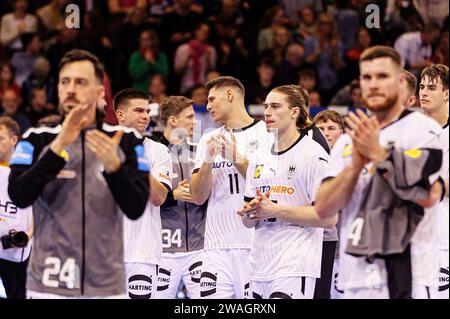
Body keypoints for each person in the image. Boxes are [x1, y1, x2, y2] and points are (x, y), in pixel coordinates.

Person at [8, 49, 150, 298]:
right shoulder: (36, 139)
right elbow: (19, 196)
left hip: (105, 285)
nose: (70, 89)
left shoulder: (127, 141)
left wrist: (114, 169)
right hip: (48, 284)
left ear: (99, 92)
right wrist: (56, 148)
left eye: (80, 82)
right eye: (65, 82)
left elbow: (136, 208)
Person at [315, 46, 445, 299]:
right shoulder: (348, 141)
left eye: (382, 76)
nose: (373, 84)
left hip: (409, 277)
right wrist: (355, 166)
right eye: (367, 77)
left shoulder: (424, 130)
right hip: (356, 279)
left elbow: (428, 196)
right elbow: (323, 208)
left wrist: (379, 155)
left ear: (399, 81)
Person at [237, 85, 337, 299]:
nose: (267, 113)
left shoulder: (313, 155)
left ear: (294, 112)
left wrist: (275, 210)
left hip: (295, 265)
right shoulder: (258, 157)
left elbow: (329, 218)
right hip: (258, 266)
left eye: (275, 106)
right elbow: (249, 221)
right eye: (265, 107)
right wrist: (249, 213)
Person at [190, 76, 270, 299]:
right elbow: (197, 197)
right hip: (216, 247)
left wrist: (235, 157)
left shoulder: (266, 134)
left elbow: (267, 186)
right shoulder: (209, 138)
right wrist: (206, 162)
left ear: (229, 95)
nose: (207, 106)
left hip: (254, 244)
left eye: (212, 99)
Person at [114, 88, 172, 299]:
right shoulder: (100, 146)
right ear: (120, 115)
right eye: (139, 110)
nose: (146, 116)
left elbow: (159, 197)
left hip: (141, 252)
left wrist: (134, 158)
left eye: (147, 111)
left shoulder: (158, 151)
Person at [152, 96, 207, 299]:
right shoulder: (152, 152)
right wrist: (172, 196)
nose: (195, 122)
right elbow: (139, 197)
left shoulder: (200, 153)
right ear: (173, 121)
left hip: (198, 247)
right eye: (190, 117)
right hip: (163, 249)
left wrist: (202, 193)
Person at [419, 64, 449, 299]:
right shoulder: (411, 132)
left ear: (447, 94)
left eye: (431, 88)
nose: (424, 93)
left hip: (443, 236)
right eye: (421, 87)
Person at [0, 116, 32, 299]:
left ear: (14, 140)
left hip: (15, 252)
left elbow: (36, 215)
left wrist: (26, 235)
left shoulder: (28, 172)